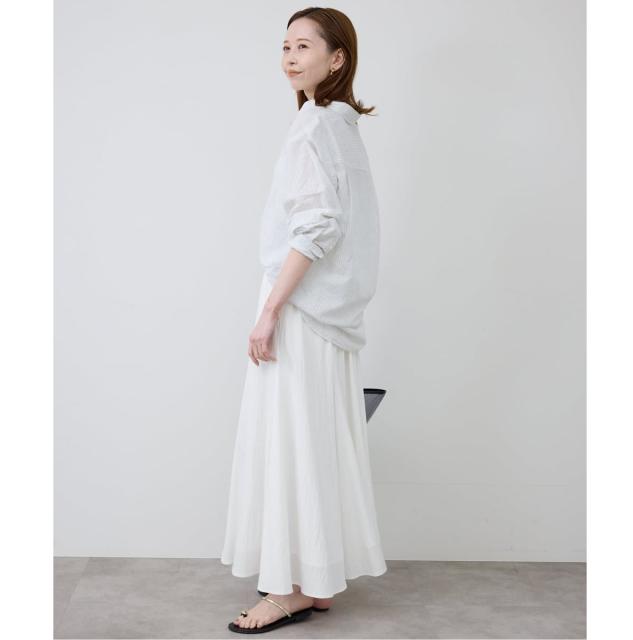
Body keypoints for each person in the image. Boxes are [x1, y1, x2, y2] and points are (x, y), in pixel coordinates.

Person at [221, 7, 387, 634]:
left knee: (288, 442)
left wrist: (269, 311)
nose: (290, 57)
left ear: (336, 58)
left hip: (300, 308)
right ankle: (315, 582)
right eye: (285, 46)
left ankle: (286, 588)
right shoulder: (341, 125)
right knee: (313, 440)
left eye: (304, 46)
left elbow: (317, 225)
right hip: (328, 314)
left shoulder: (315, 125)